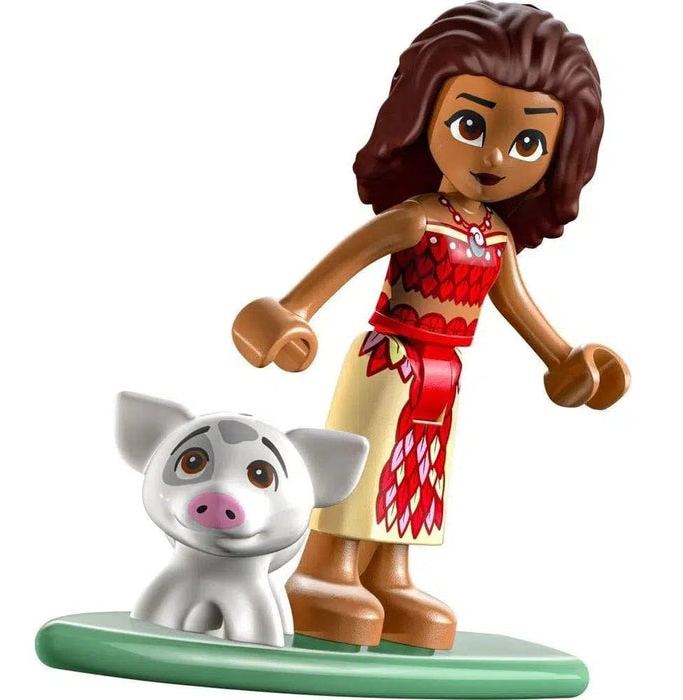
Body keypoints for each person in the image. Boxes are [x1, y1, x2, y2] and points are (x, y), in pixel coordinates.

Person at [232, 1, 629, 650]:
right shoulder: (415, 218)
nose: (495, 154)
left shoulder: (495, 239)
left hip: (444, 373)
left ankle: (390, 576)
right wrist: (291, 315)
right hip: (388, 360)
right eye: (471, 124)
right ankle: (326, 570)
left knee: (418, 471)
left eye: (528, 143)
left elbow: (522, 310)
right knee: (362, 460)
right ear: (424, 115)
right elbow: (334, 271)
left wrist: (567, 360)